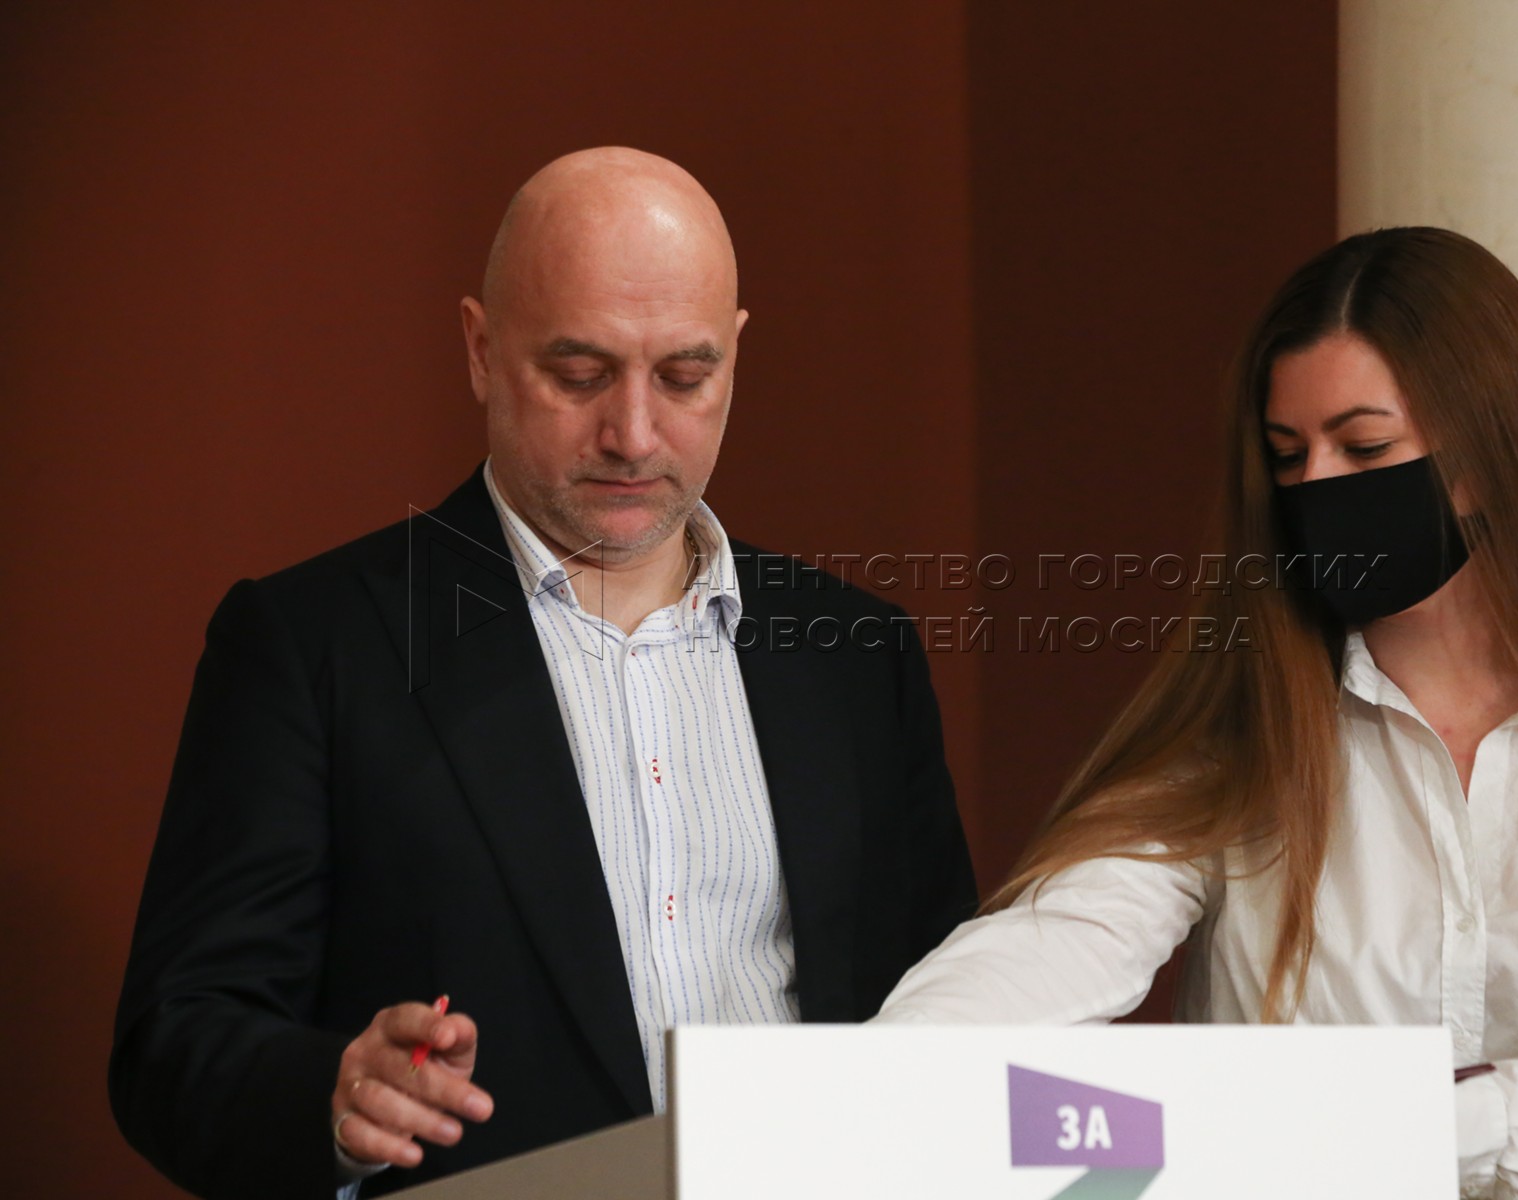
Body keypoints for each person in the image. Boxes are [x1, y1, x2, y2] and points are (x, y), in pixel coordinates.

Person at [111, 147, 977, 1199]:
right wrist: (333, 1096)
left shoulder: (858, 654)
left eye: (685, 376)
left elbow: (947, 1017)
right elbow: (177, 1042)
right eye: (579, 375)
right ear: (482, 351)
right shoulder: (311, 646)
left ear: (736, 355)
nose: (634, 434)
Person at [874, 227, 1518, 1198]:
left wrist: (1403, 1124)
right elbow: (1062, 940)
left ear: (1489, 454)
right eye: (1288, 455)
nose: (1317, 486)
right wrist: (874, 1085)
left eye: (1364, 447)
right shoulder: (1246, 728)